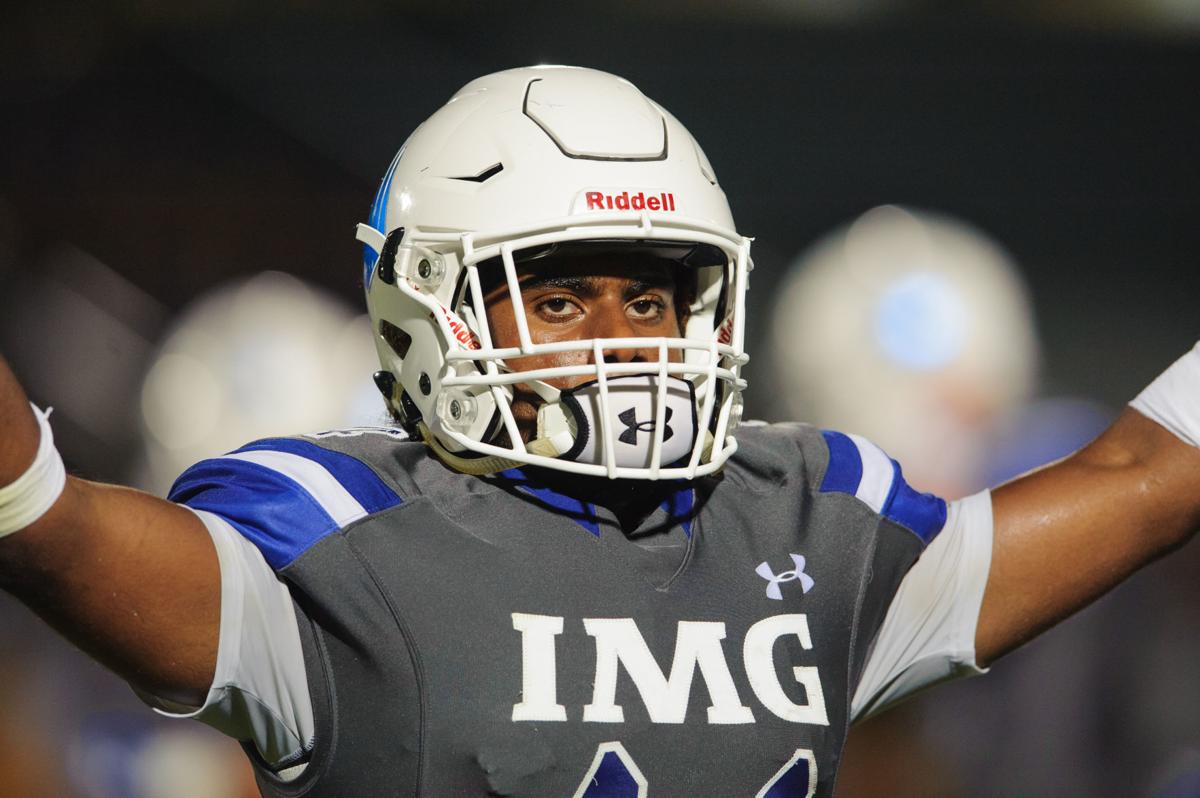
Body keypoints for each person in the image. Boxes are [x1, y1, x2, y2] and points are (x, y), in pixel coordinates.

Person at [0, 65, 1196, 797]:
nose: (624, 340)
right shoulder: (334, 549)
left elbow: (1147, 472)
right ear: (432, 310)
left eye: (654, 296)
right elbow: (40, 518)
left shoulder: (810, 529)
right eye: (564, 299)